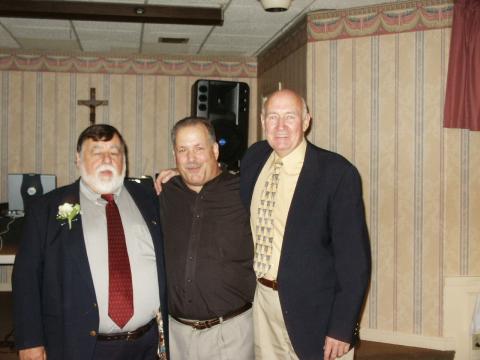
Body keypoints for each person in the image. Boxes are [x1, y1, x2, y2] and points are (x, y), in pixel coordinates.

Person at [12, 124, 169, 360]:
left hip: (148, 344)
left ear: (124, 158)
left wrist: (179, 174)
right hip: (82, 346)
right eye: (96, 152)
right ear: (78, 159)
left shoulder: (149, 199)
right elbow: (26, 278)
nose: (107, 159)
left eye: (115, 152)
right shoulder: (47, 209)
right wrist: (30, 341)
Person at [239, 89, 371, 360]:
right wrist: (177, 176)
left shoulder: (337, 173)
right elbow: (223, 184)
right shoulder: (254, 158)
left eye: (290, 117)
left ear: (306, 120)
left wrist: (343, 327)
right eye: (273, 117)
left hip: (316, 311)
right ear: (263, 121)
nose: (280, 126)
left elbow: (354, 261)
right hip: (264, 304)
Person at [158, 117, 256, 360]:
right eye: (183, 150)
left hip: (232, 333)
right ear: (174, 154)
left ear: (215, 150)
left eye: (199, 148)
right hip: (177, 335)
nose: (191, 159)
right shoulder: (164, 192)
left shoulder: (245, 190)